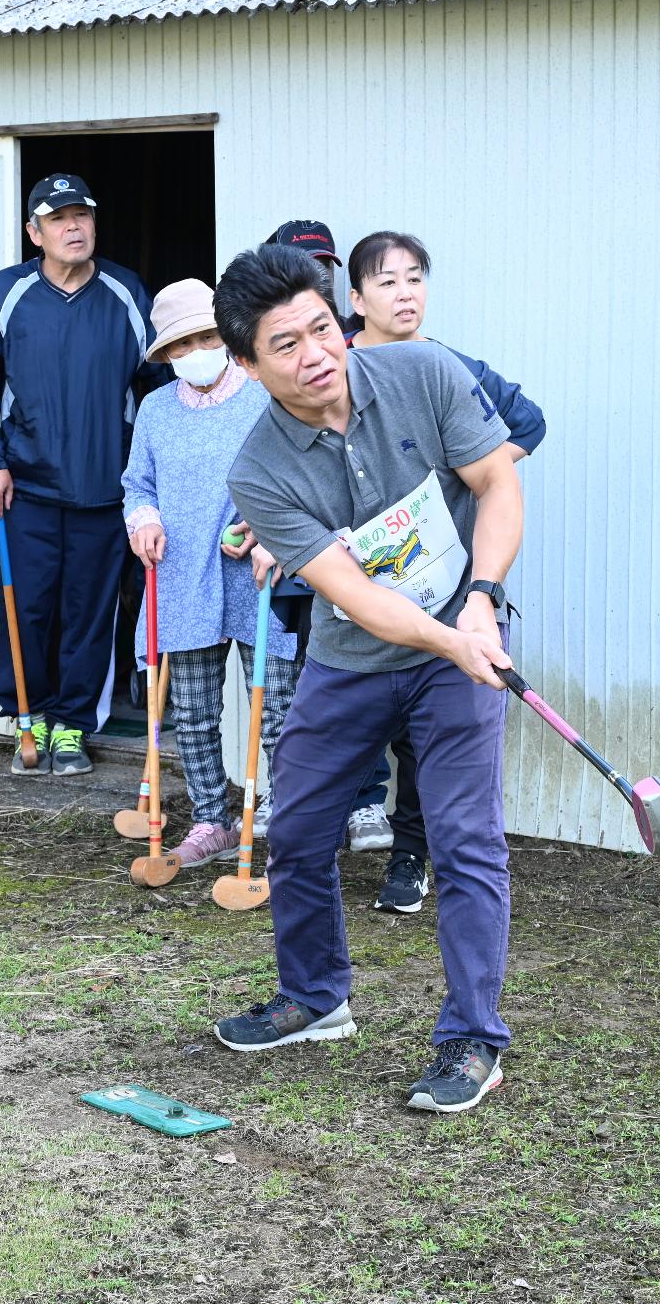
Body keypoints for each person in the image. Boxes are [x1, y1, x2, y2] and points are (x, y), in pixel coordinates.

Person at [211, 246, 523, 1115]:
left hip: (463, 641)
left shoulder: (424, 372)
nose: (315, 353)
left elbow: (497, 483)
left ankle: (472, 1037)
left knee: (466, 840)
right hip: (354, 660)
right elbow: (355, 598)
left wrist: (484, 602)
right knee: (300, 825)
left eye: (322, 327)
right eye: (286, 344)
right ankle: (315, 997)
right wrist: (446, 636)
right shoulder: (259, 471)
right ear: (248, 364)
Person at [339, 229, 548, 913]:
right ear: (356, 297)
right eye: (388, 281)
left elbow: (527, 423)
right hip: (357, 583)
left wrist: (467, 475)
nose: (405, 293)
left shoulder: (446, 366)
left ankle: (410, 853)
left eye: (415, 279)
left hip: (446, 579)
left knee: (429, 732)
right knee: (359, 716)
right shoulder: (331, 369)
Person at [0, 173, 159, 776]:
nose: (75, 227)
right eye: (59, 218)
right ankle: (29, 715)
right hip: (26, 487)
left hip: (105, 488)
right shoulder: (3, 295)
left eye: (83, 215)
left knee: (90, 612)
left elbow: (157, 390)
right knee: (28, 608)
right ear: (33, 232)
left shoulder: (125, 293)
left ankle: (72, 725)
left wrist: (149, 478)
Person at [121, 278, 298, 868]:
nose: (197, 350)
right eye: (182, 343)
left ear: (227, 337)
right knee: (194, 711)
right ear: (166, 354)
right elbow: (137, 485)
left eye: (207, 336)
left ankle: (290, 821)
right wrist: (142, 520)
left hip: (257, 574)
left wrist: (269, 528)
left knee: (277, 703)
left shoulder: (263, 394)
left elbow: (298, 473)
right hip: (180, 575)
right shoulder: (156, 410)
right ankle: (209, 819)